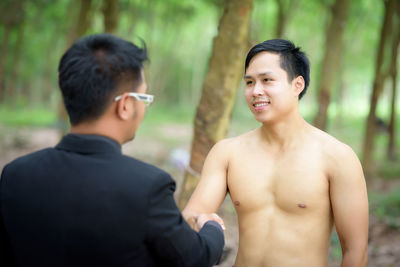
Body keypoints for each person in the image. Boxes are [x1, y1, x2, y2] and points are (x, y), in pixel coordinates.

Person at [0, 34, 225, 267]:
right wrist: (212, 228)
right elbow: (195, 258)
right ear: (125, 105)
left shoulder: (15, 175)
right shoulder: (147, 187)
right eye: (144, 97)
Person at [183, 39, 369, 267]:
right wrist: (202, 220)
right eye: (249, 82)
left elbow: (355, 251)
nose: (255, 91)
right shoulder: (228, 153)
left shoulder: (337, 157)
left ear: (297, 85)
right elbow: (191, 216)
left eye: (267, 80)